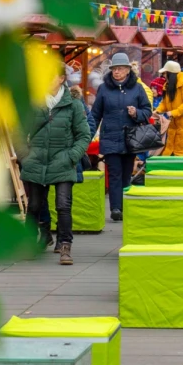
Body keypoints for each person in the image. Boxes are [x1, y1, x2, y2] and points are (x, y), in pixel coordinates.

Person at [20, 71, 92, 265]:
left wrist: (72, 156)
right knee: (34, 205)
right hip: (36, 161)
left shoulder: (74, 105)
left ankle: (65, 246)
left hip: (63, 161)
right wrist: (25, 156)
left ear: (61, 79)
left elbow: (84, 135)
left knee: (63, 205)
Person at [90, 53, 153, 222]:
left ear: (127, 70)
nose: (116, 72)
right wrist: (88, 134)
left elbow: (147, 111)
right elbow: (95, 114)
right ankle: (116, 208)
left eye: (119, 69)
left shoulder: (137, 88)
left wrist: (137, 113)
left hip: (130, 137)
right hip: (110, 136)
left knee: (126, 174)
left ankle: (125, 206)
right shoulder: (104, 88)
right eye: (114, 69)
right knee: (115, 173)